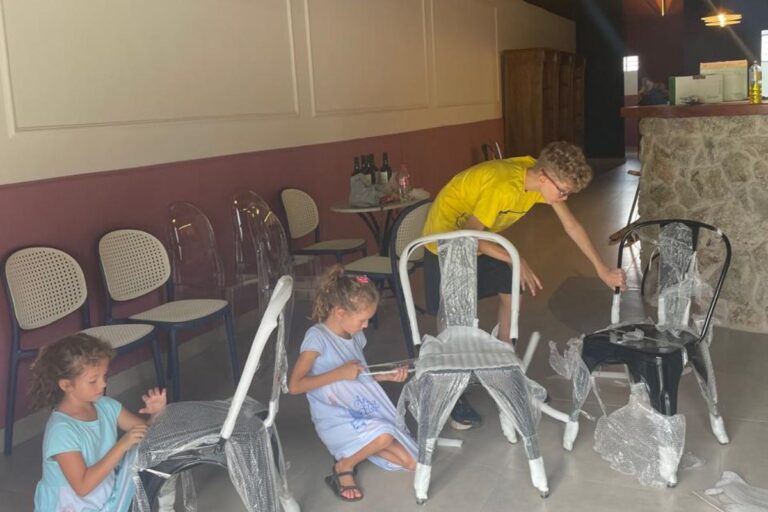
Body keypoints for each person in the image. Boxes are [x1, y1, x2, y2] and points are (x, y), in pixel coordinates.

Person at [422, 140, 627, 430]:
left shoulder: (535, 178)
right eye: (563, 191)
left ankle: (506, 367)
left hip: (476, 240)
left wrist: (603, 269)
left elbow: (572, 227)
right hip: (443, 244)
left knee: (510, 281)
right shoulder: (503, 187)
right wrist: (514, 255)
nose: (564, 198)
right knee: (456, 320)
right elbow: (468, 235)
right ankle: (452, 397)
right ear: (544, 178)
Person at [288, 266, 417, 502]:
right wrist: (338, 373)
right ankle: (343, 465)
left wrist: (386, 376)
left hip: (358, 407)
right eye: (363, 319)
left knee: (411, 462)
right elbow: (294, 386)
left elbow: (357, 377)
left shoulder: (355, 335)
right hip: (334, 418)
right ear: (340, 313)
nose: (366, 325)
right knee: (385, 438)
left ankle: (357, 449)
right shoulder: (317, 338)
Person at [31, 333, 167, 512]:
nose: (103, 384)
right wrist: (121, 445)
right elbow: (82, 486)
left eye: (104, 376)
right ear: (66, 385)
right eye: (93, 380)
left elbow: (147, 435)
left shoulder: (106, 406)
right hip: (71, 505)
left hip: (102, 496)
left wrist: (157, 413)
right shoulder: (61, 431)